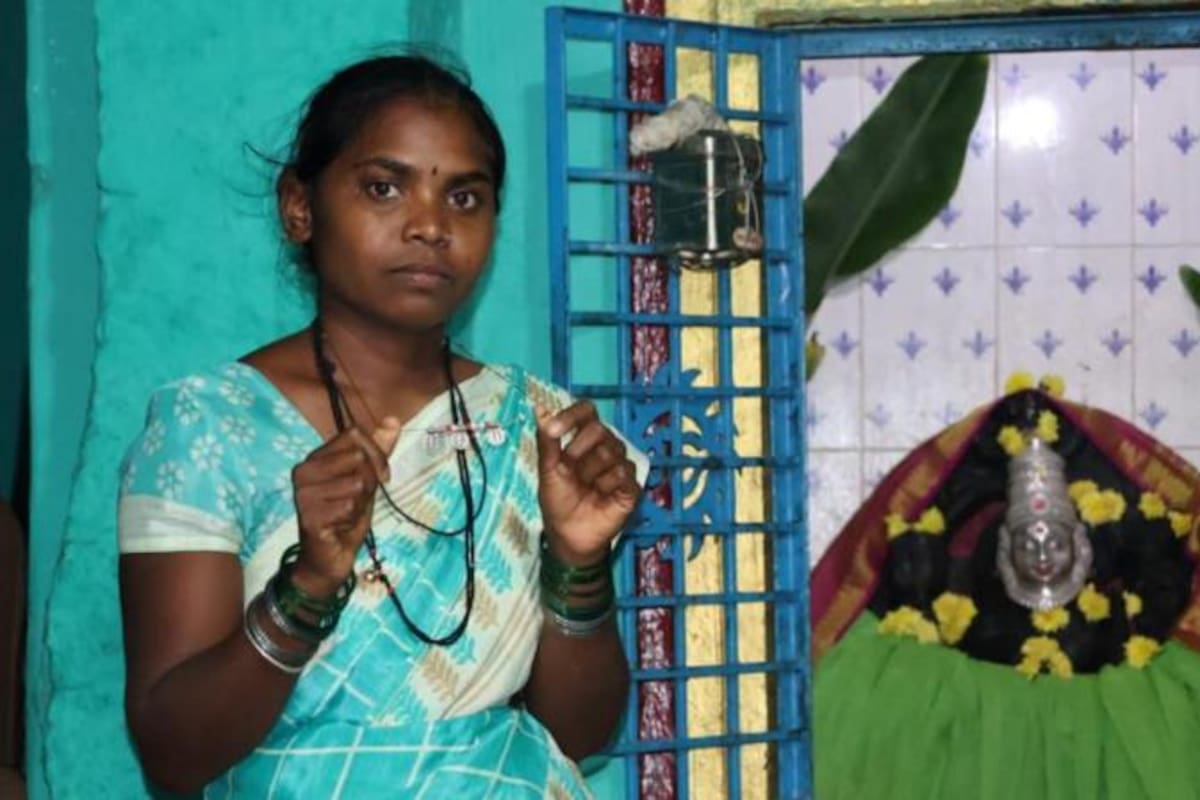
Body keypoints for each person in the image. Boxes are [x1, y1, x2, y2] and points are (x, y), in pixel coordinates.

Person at [117, 54, 647, 799]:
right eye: (383, 188)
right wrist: (308, 586)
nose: (430, 226)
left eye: (465, 197)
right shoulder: (210, 428)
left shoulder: (538, 426)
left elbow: (580, 736)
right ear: (300, 207)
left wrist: (578, 562)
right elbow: (173, 755)